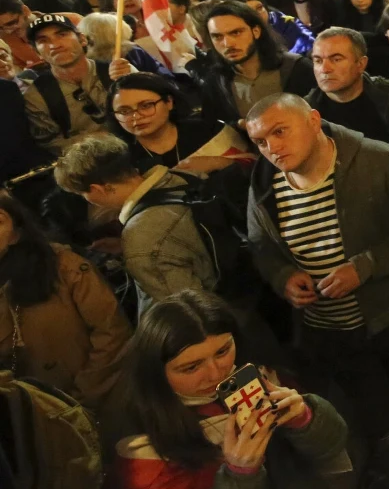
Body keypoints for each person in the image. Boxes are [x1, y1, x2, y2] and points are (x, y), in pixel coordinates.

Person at [242, 93, 389, 489]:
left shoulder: (377, 160)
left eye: (279, 132)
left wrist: (366, 266)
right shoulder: (263, 182)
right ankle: (385, 443)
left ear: (314, 121)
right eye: (261, 141)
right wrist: (282, 275)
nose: (271, 148)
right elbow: (259, 244)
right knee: (365, 389)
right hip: (328, 322)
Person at [107, 290, 349, 489]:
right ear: (156, 371)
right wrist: (240, 475)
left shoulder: (259, 375)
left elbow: (333, 446)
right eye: (191, 367)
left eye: (223, 351)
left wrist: (306, 419)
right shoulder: (142, 448)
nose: (216, 374)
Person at [53, 134, 219, 314]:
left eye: (83, 195)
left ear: (97, 189)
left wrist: (136, 248)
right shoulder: (179, 178)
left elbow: (191, 313)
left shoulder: (141, 239)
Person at [0, 192, 131, 409]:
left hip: (96, 400)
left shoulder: (63, 267)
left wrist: (79, 397)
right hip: (31, 415)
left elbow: (112, 333)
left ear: (16, 234)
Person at [187, 1, 315, 124]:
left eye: (236, 33)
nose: (227, 44)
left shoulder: (298, 68)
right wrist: (237, 125)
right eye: (218, 37)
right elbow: (213, 125)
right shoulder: (216, 82)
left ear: (256, 31)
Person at [108, 72, 249, 173]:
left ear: (169, 102)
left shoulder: (209, 131)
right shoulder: (120, 160)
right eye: (124, 111)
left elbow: (256, 166)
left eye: (146, 106)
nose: (136, 116)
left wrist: (220, 163)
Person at [18, 13, 116, 157]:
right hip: (87, 163)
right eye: (43, 40)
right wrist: (100, 138)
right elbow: (50, 144)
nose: (55, 45)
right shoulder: (36, 97)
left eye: (62, 35)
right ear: (36, 52)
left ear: (82, 39)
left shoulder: (114, 72)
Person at [305, 28, 389, 148]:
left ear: (361, 64)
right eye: (318, 61)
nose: (324, 69)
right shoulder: (306, 112)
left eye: (336, 59)